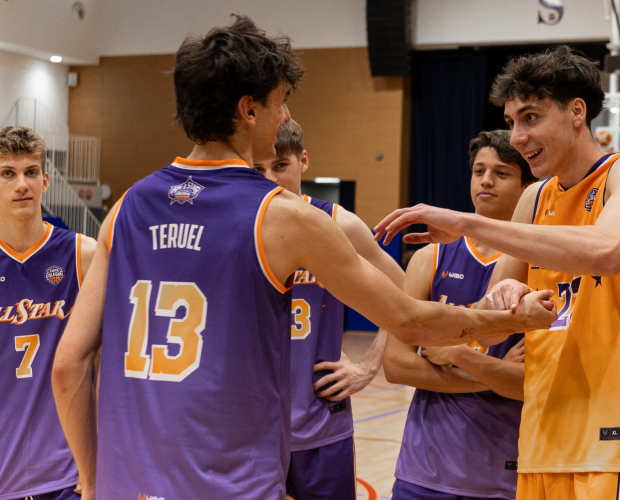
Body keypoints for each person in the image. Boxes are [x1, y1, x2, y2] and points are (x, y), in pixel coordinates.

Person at [50, 16, 555, 500]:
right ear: (249, 110)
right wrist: (509, 320)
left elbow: (68, 365)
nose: (286, 116)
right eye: (281, 102)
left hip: (127, 480)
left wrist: (91, 480)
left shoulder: (126, 207)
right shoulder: (282, 215)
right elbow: (412, 320)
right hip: (230, 483)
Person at [375, 45, 620, 500]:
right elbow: (493, 308)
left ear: (576, 112)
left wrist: (468, 222)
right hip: (538, 440)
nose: (518, 136)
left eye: (531, 118)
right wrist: (481, 316)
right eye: (511, 121)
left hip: (615, 439)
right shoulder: (534, 199)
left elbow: (606, 250)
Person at [253, 119, 404, 499]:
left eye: (280, 166)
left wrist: (369, 366)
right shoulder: (237, 225)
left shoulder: (338, 224)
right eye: (258, 169)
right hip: (249, 432)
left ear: (303, 161)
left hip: (321, 427)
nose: (270, 179)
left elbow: (407, 291)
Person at [384, 130, 537, 500]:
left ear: (528, 186)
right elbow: (396, 366)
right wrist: (490, 375)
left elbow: (530, 385)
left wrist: (452, 353)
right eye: (478, 170)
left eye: (502, 173)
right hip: (425, 467)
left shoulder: (540, 265)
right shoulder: (430, 258)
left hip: (507, 470)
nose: (486, 180)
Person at [0, 126, 96, 500]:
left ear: (46, 181)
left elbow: (105, 362)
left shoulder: (82, 255)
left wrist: (95, 469)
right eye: (7, 173)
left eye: (30, 172)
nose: (21, 183)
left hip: (66, 477)